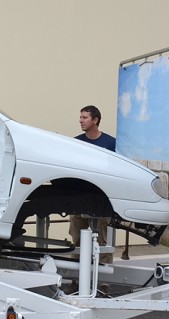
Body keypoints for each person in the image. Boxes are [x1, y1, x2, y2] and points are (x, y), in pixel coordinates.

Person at [66, 105, 116, 294]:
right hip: (79, 200)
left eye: (84, 117)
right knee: (77, 240)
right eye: (80, 117)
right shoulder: (76, 143)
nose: (80, 120)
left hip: (102, 201)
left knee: (102, 242)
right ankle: (76, 280)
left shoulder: (110, 143)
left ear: (95, 120)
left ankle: (102, 282)